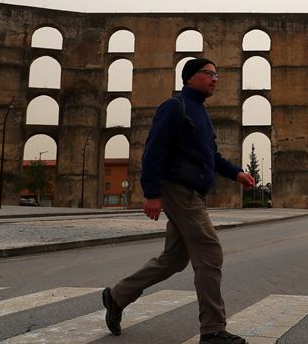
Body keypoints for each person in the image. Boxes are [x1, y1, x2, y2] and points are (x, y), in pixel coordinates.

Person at [102, 58, 255, 344]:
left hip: (194, 192)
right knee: (210, 252)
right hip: (178, 190)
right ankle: (212, 331)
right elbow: (153, 150)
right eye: (208, 73)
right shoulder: (175, 107)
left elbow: (212, 157)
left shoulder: (201, 113)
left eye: (216, 74)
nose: (215, 79)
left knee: (173, 260)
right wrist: (152, 193)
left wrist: (236, 173)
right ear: (189, 78)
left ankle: (117, 296)